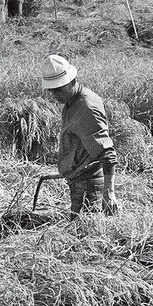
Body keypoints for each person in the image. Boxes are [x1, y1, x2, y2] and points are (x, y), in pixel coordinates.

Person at [40, 55, 119, 218]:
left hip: (89, 187)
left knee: (86, 235)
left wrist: (109, 193)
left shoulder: (86, 106)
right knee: (78, 232)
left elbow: (107, 153)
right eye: (51, 90)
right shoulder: (71, 101)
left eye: (59, 89)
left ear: (71, 81)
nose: (55, 95)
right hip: (79, 182)